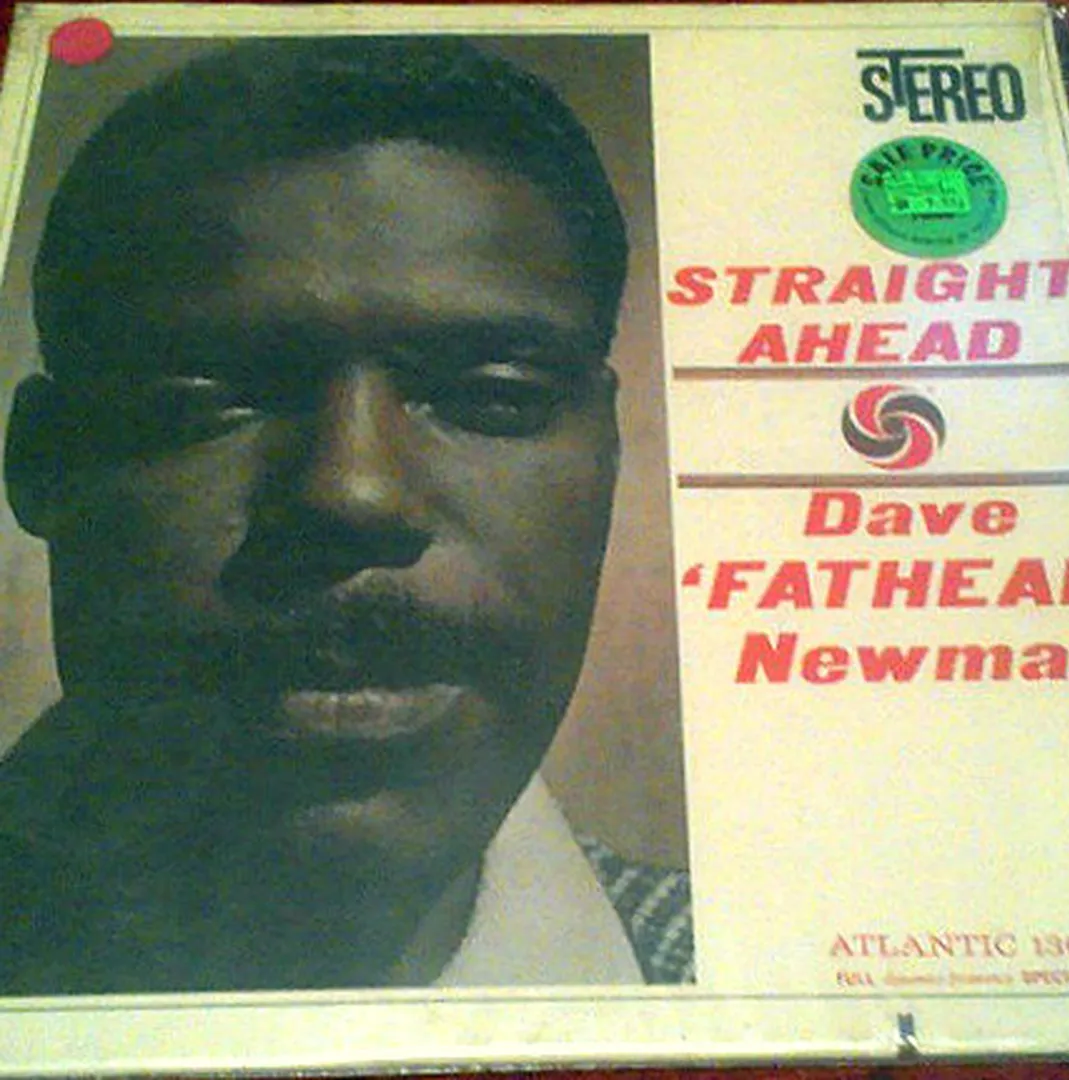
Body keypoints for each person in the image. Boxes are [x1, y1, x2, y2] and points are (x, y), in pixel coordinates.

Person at [0, 35, 691, 993]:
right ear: (41, 463)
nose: (353, 489)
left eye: (495, 396)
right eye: (204, 402)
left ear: (609, 456)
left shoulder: (758, 979)